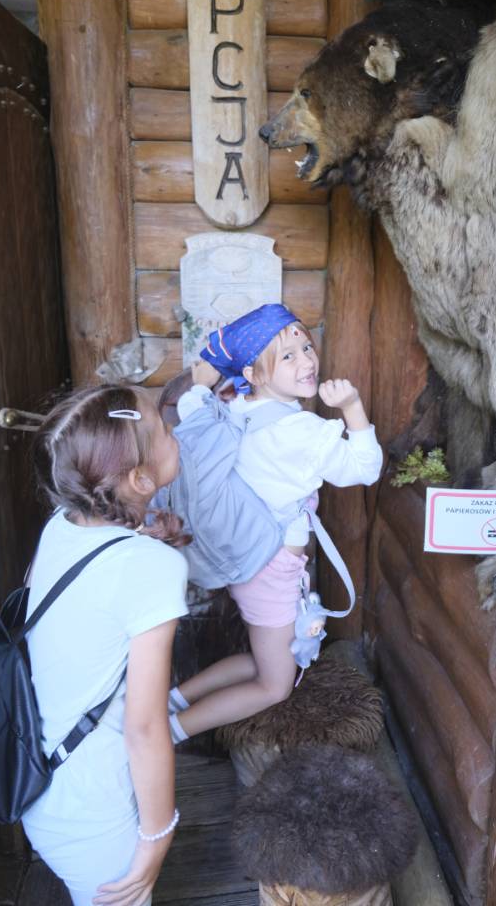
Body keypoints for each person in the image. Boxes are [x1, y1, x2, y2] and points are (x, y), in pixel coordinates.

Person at [168, 303, 383, 742]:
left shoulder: (230, 409)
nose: (307, 361)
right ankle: (168, 730)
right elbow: (366, 468)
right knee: (275, 685)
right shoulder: (303, 431)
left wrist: (202, 381)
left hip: (242, 558)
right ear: (253, 373)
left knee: (267, 657)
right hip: (272, 567)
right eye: (287, 355)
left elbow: (190, 404)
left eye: (306, 347)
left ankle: (173, 700)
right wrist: (352, 406)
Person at [21, 385, 189, 906]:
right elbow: (144, 727)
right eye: (162, 427)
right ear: (140, 479)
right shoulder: (154, 569)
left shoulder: (62, 524)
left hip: (43, 781)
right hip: (96, 817)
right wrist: (157, 838)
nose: (173, 431)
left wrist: (141, 541)